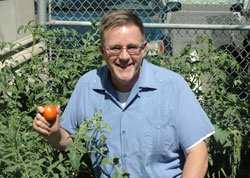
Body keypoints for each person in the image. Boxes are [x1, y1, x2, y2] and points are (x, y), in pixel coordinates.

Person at [33, 10, 215, 178]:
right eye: (115, 48)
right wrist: (53, 133)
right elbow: (69, 141)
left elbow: (197, 154)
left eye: (132, 47)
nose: (125, 56)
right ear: (102, 51)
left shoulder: (172, 87)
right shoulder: (87, 87)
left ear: (143, 49)